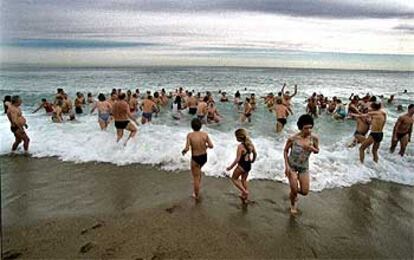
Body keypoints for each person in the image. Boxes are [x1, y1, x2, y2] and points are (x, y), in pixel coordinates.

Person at [284, 114, 319, 214]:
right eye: (305, 128)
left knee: (304, 192)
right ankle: (293, 205)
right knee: (294, 189)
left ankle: (292, 191)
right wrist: (286, 166)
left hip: (304, 167)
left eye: (310, 128)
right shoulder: (293, 139)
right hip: (292, 166)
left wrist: (313, 149)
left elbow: (317, 151)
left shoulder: (314, 139)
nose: (308, 130)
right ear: (300, 127)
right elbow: (285, 151)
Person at [182, 118, 214, 200]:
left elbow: (187, 148)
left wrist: (184, 151)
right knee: (198, 172)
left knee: (195, 177)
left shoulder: (190, 135)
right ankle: (198, 188)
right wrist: (205, 147)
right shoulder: (205, 134)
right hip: (204, 157)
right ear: (201, 126)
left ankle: (196, 195)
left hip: (195, 158)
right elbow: (211, 146)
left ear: (192, 126)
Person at [226, 129, 257, 204]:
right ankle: (244, 196)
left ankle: (244, 192)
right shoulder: (250, 144)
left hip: (242, 165)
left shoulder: (240, 146)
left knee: (234, 178)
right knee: (243, 180)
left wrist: (230, 167)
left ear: (239, 138)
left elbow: (237, 159)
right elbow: (255, 153)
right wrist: (252, 160)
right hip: (248, 165)